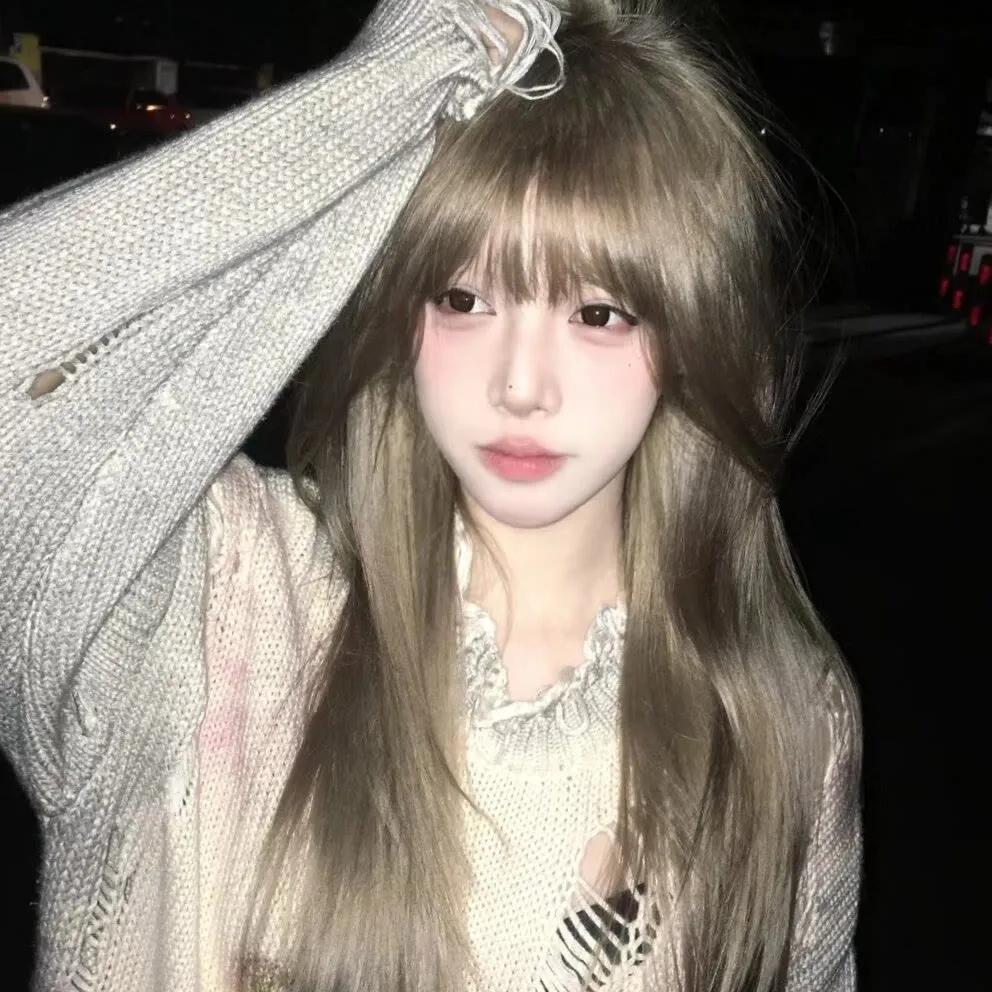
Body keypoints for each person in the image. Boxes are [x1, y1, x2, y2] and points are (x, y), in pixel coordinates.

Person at [0, 0, 862, 990]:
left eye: (598, 312)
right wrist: (401, 82)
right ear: (400, 309)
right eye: (462, 299)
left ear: (692, 335)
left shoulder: (781, 716)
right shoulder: (214, 601)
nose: (520, 386)